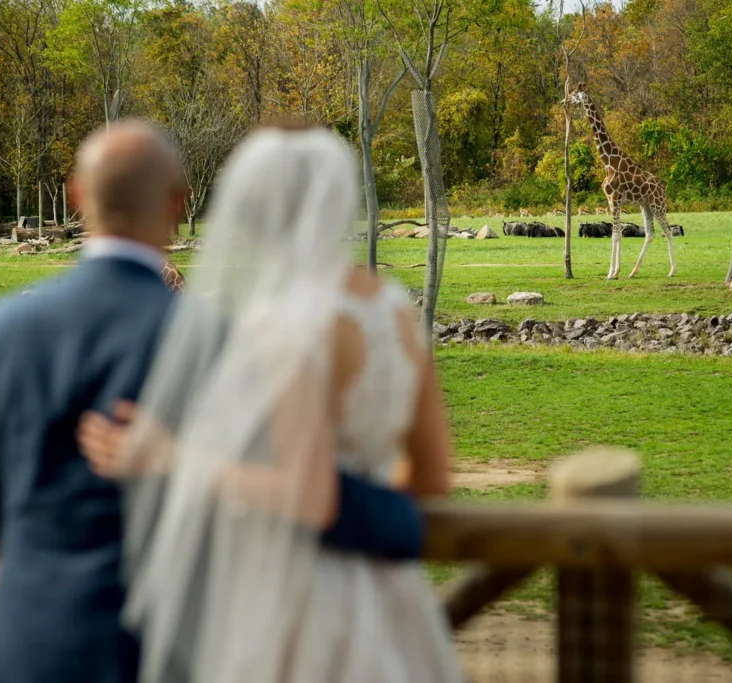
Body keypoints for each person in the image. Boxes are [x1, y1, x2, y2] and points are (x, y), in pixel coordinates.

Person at [0, 120, 426, 683]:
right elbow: (299, 490)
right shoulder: (220, 344)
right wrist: (399, 520)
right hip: (168, 651)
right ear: (178, 203)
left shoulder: (1, 329)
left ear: (76, 196)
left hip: (28, 647)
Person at [76, 125, 461, 683]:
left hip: (300, 595)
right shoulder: (396, 310)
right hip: (390, 593)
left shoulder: (285, 325)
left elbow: (308, 497)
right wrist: (366, 498)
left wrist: (172, 458)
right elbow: (431, 475)